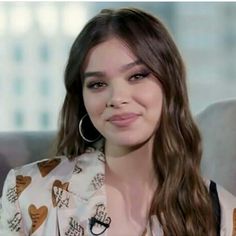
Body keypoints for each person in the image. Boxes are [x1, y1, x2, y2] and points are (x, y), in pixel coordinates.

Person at [0, 7, 235, 236]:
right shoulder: (28, 190)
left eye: (137, 76)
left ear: (169, 84)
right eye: (98, 84)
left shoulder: (222, 212)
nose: (117, 98)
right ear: (82, 98)